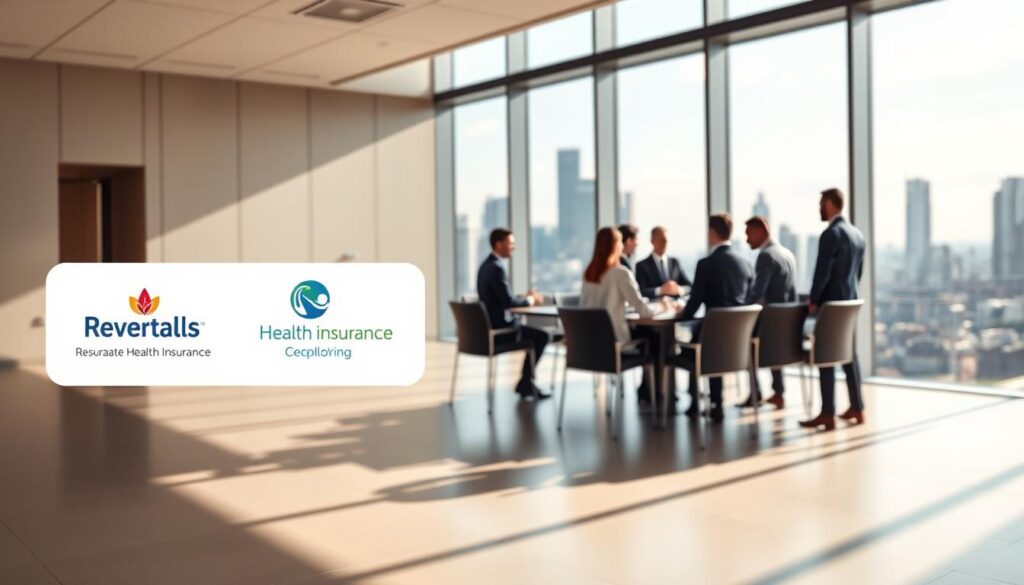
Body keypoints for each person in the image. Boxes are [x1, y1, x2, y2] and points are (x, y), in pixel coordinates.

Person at [799, 188, 866, 431]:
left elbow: (822, 271)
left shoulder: (831, 234)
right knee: (849, 353)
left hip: (830, 304)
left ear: (829, 203)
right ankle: (857, 407)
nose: (819, 208)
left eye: (821, 203)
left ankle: (827, 413)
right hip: (849, 302)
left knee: (825, 354)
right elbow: (858, 274)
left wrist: (814, 299)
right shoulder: (857, 234)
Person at [678, 213, 754, 421]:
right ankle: (715, 403)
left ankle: (697, 402)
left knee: (690, 345)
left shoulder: (706, 264)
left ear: (712, 232)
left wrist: (679, 316)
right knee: (711, 336)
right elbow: (749, 301)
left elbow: (693, 305)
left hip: (711, 343)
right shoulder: (746, 264)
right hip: (739, 342)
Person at [476, 228, 551, 400]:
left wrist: (523, 297)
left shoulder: (485, 266)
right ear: (498, 244)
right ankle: (526, 383)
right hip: (501, 332)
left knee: (535, 334)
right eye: (511, 243)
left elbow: (501, 298)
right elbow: (509, 303)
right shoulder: (497, 268)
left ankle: (525, 383)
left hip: (489, 330)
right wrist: (530, 300)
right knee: (543, 336)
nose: (513, 247)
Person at [740, 215, 798, 409]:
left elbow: (757, 293)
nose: (747, 239)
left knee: (744, 338)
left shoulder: (766, 256)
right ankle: (778, 392)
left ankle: (755, 392)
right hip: (787, 324)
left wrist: (740, 309)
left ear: (761, 231)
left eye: (749, 234)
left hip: (771, 325)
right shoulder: (787, 253)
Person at [581, 227, 668, 344]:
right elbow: (643, 311)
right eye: (620, 242)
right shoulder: (621, 273)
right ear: (615, 246)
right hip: (615, 341)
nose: (622, 246)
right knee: (656, 335)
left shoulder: (588, 273)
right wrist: (662, 306)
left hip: (589, 342)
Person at [635, 226, 692, 299]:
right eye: (660, 240)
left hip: (676, 305)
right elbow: (640, 292)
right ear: (652, 241)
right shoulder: (641, 265)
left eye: (666, 240)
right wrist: (661, 290)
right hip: (654, 305)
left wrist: (680, 289)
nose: (664, 244)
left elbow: (690, 286)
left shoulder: (675, 262)